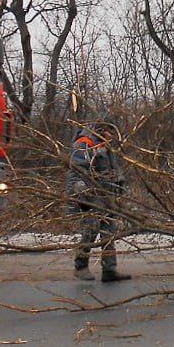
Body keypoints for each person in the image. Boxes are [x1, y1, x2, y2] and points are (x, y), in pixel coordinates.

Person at [66, 117, 131, 282]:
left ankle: (109, 270)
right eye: (111, 132)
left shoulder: (105, 146)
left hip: (105, 195)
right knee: (91, 230)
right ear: (102, 130)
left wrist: (119, 183)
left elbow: (113, 168)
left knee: (109, 230)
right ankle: (80, 266)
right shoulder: (84, 143)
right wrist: (83, 194)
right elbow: (77, 170)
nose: (112, 136)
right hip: (89, 195)